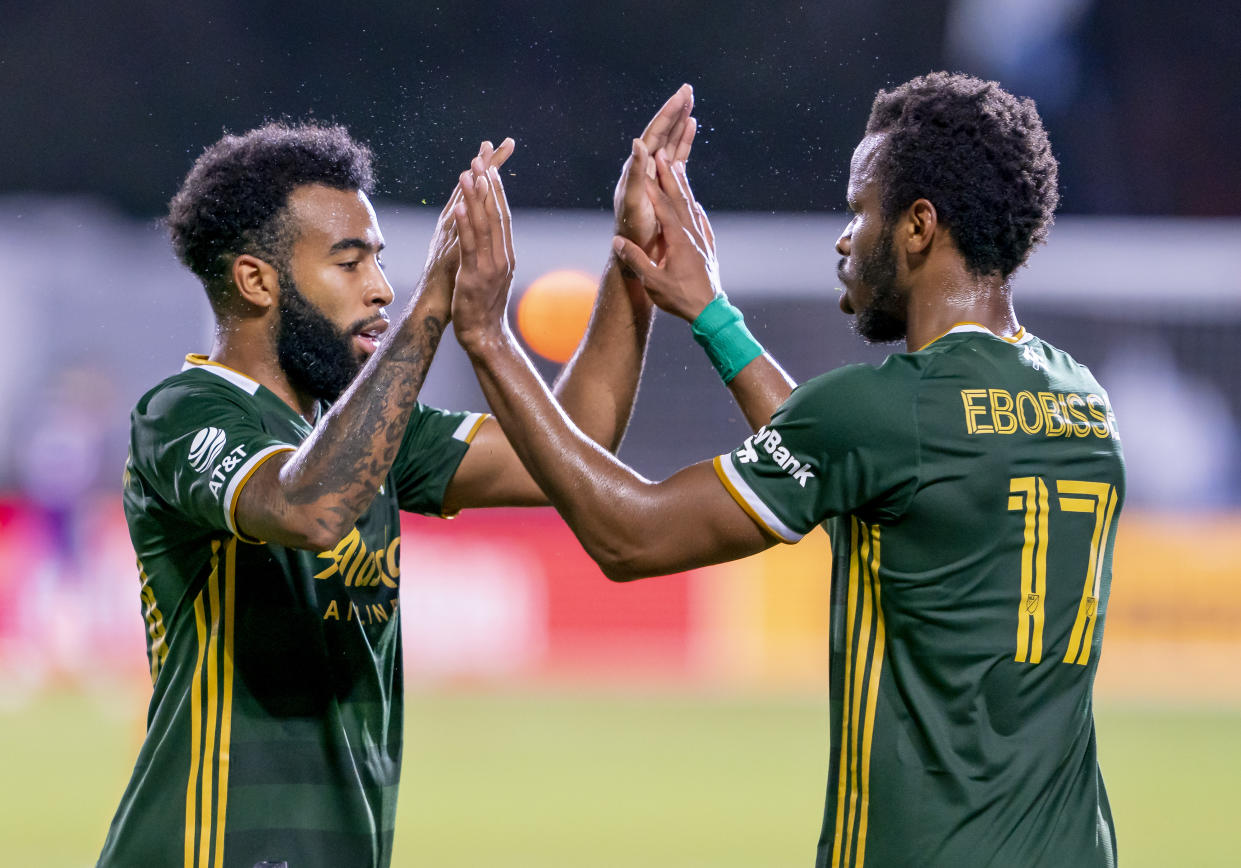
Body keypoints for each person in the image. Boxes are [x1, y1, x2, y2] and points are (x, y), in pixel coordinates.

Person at [448, 72, 1124, 867]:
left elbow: (630, 536)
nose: (844, 239)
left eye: (857, 210)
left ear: (916, 226)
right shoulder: (1081, 400)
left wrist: (487, 337)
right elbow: (855, 462)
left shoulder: (888, 413)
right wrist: (711, 314)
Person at [98, 86, 697, 868]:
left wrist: (630, 260)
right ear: (255, 281)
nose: (382, 287)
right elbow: (308, 506)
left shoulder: (365, 435)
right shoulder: (184, 412)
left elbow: (571, 442)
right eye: (350, 262)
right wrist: (431, 314)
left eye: (381, 260)